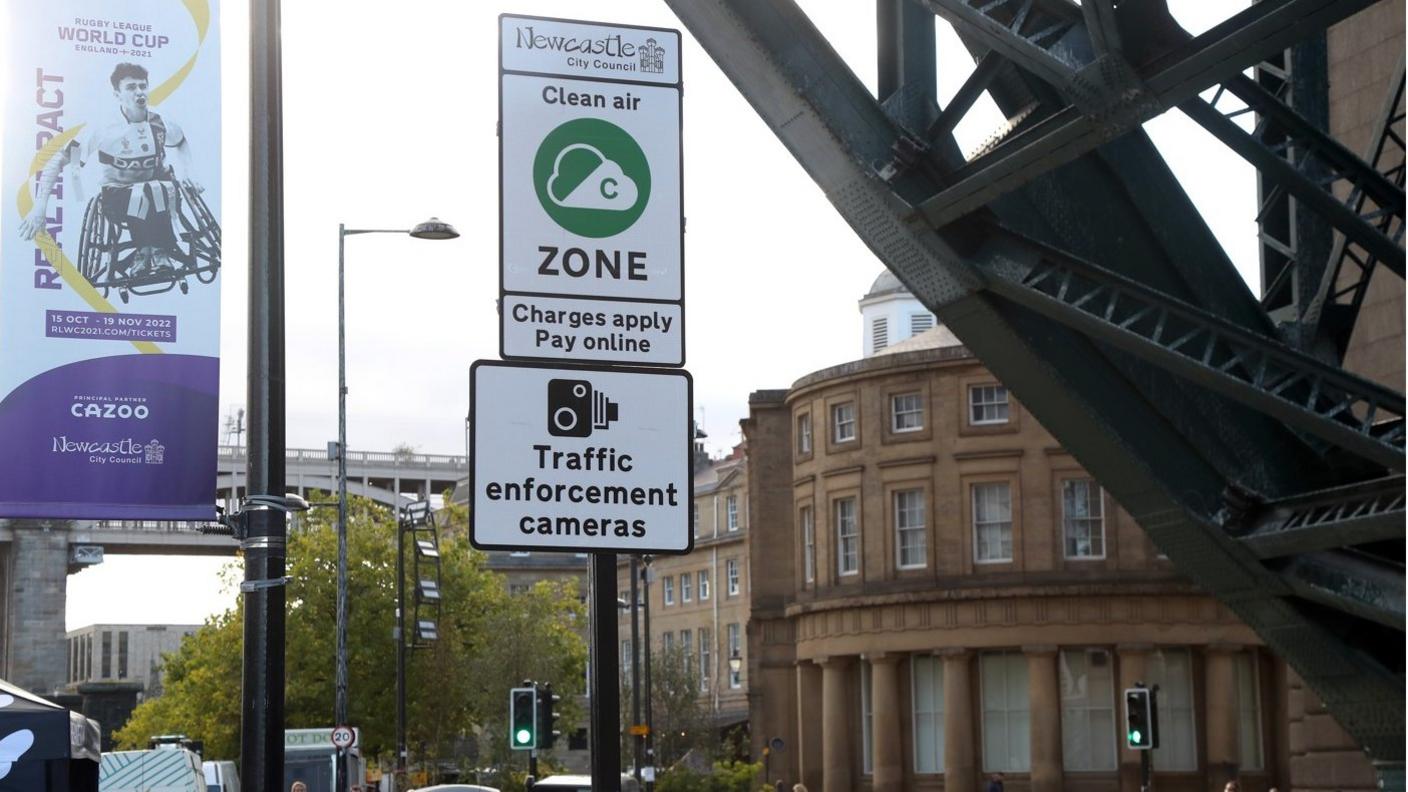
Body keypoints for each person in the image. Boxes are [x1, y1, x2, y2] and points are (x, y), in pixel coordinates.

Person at [19, 61, 206, 275]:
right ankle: (145, 251)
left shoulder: (161, 122)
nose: (139, 92)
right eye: (131, 87)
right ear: (117, 94)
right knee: (142, 194)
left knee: (159, 189)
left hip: (161, 191)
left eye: (142, 86)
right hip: (118, 195)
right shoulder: (104, 127)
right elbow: (56, 161)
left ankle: (159, 250)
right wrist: (40, 206)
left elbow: (181, 142)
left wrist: (189, 173)